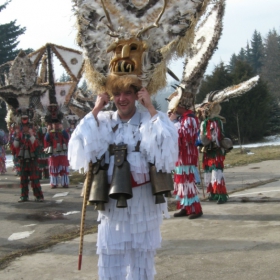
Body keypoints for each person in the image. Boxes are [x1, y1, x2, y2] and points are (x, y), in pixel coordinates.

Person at [68, 82, 178, 279]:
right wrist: (96, 108)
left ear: (137, 95)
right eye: (117, 93)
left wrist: (150, 107)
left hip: (143, 200)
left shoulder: (149, 119)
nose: (122, 98)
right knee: (110, 252)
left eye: (128, 93)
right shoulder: (103, 121)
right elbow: (78, 143)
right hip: (111, 199)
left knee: (142, 255)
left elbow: (168, 144)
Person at [168, 90, 203, 219]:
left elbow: (183, 136)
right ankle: (185, 207)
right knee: (181, 183)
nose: (173, 109)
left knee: (187, 183)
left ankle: (195, 209)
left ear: (180, 106)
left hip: (187, 157)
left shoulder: (189, 119)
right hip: (180, 156)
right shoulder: (183, 118)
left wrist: (173, 123)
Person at [11, 113, 44, 202]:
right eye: (23, 126)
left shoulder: (33, 134)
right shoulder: (20, 136)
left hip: (32, 160)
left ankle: (38, 196)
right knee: (23, 179)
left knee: (34, 179)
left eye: (26, 126)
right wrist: (17, 137)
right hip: (23, 160)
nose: (25, 128)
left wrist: (31, 135)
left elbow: (37, 146)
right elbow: (15, 145)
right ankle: (24, 196)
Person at [44, 112, 70, 189]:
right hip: (54, 153)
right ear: (52, 125)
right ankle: (54, 183)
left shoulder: (62, 132)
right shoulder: (50, 133)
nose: (56, 126)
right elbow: (46, 140)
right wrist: (48, 132)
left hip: (62, 152)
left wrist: (62, 130)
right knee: (54, 168)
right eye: (54, 124)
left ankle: (64, 183)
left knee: (64, 168)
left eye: (57, 124)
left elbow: (67, 138)